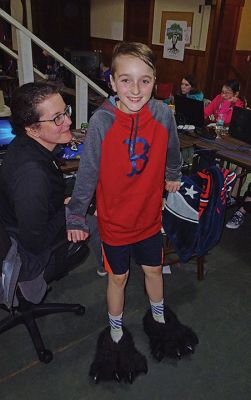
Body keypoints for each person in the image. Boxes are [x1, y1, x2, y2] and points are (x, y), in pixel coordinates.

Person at [66, 42, 198, 383]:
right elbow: (88, 172)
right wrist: (77, 215)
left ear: (155, 81)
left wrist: (173, 174)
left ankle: (158, 317)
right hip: (115, 222)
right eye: (126, 80)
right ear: (112, 82)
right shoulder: (101, 121)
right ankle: (115, 331)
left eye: (144, 80)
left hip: (149, 219)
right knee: (118, 278)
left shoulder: (163, 114)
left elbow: (172, 149)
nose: (135, 90)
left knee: (154, 271)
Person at [0, 82, 91, 285]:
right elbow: (34, 243)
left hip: (21, 222)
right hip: (28, 252)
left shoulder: (27, 145)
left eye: (66, 111)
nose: (68, 120)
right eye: (57, 118)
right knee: (95, 219)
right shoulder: (32, 175)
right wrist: (67, 210)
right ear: (33, 129)